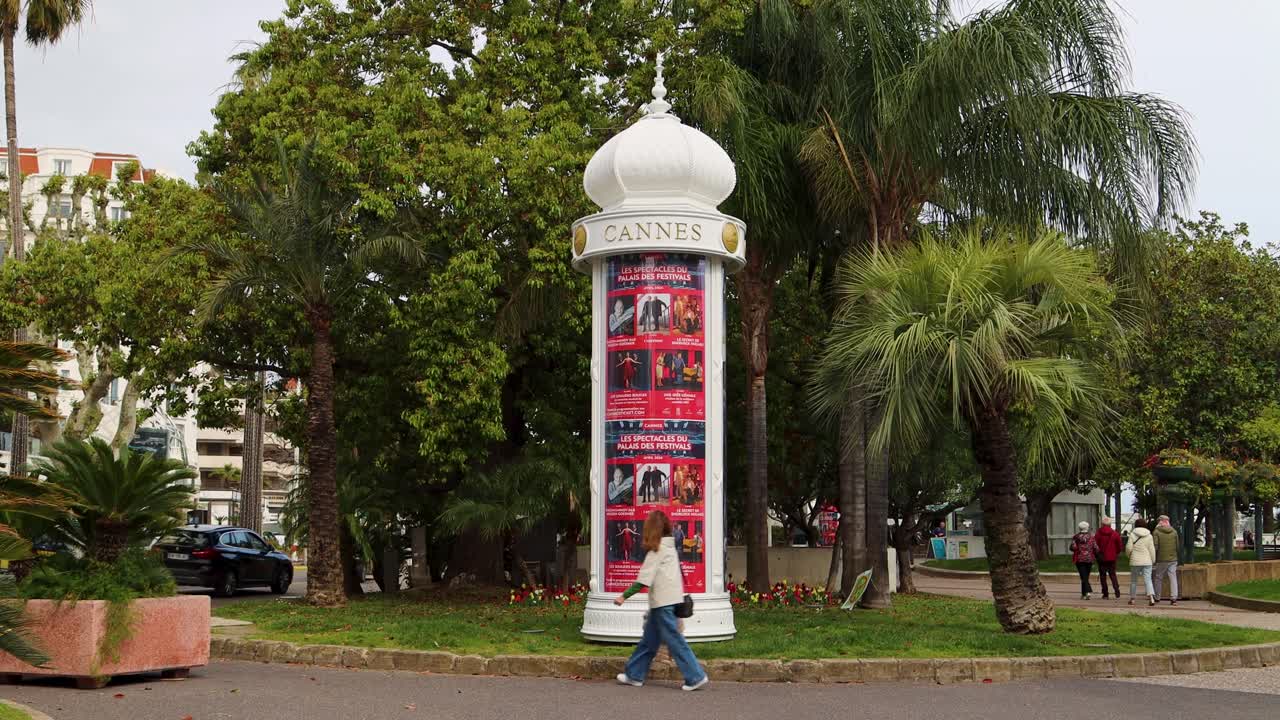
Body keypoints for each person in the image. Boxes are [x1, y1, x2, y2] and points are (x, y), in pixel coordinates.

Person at [614, 511, 709, 691]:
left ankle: (695, 676)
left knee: (674, 640)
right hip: (669, 601)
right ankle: (634, 674)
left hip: (662, 603)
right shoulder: (670, 547)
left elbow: (643, 580)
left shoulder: (657, 551)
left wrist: (623, 596)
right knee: (649, 641)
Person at [1126, 517, 1156, 606]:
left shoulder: (1132, 535)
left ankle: (1132, 598)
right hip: (1147, 561)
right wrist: (1153, 560)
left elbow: (1128, 548)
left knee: (1134, 580)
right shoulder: (1149, 536)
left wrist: (1129, 556)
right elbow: (1152, 549)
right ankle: (1151, 597)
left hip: (1135, 561)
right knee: (1148, 580)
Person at [1152, 514, 1180, 605]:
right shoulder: (1174, 532)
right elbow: (1177, 545)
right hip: (1173, 558)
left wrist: (1154, 557)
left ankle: (1157, 597)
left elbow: (1155, 546)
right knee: (1173, 577)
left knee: (1158, 577)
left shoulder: (1156, 532)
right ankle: (1174, 597)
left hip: (1161, 559)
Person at [1094, 516, 1124, 599]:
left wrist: (1097, 555)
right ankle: (1116, 590)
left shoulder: (1098, 534)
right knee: (1112, 574)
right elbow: (1119, 547)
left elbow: (1095, 546)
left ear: (1102, 524)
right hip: (1112, 558)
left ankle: (1105, 594)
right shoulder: (1115, 534)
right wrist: (1115, 553)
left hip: (1101, 558)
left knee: (1103, 576)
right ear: (1110, 524)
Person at [1070, 521, 1097, 600]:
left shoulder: (1076, 537)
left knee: (1083, 576)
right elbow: (1096, 548)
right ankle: (1084, 593)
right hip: (1089, 559)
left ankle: (1087, 592)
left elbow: (1073, 548)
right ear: (1087, 528)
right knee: (1085, 576)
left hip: (1079, 559)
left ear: (1079, 528)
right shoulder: (1092, 537)